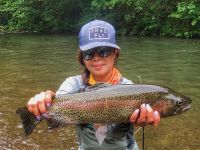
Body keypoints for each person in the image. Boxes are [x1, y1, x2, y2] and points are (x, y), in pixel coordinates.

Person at [27, 20, 160, 150]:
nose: (96, 58)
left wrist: (133, 121)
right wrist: (46, 99)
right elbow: (59, 99)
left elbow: (116, 135)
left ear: (115, 53)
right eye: (89, 53)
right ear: (82, 58)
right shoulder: (74, 83)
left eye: (103, 51)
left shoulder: (129, 88)